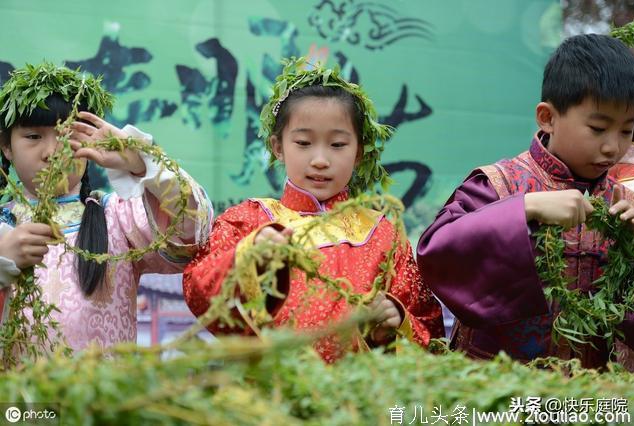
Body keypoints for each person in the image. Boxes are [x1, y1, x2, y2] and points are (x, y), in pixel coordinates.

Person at [183, 57, 444, 363]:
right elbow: (198, 291)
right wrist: (248, 257)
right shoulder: (249, 221)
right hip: (267, 396)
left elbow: (430, 331)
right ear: (278, 146)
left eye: (337, 145)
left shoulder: (383, 233)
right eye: (304, 143)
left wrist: (395, 322)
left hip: (358, 399)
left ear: (359, 153)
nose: (320, 160)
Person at [416, 34, 634, 369]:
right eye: (597, 128)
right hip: (500, 389)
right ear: (547, 117)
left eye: (627, 131)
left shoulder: (626, 202)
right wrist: (524, 209)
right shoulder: (497, 184)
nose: (613, 147)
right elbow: (437, 251)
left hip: (592, 394)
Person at [0, 63, 213, 352]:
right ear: (6, 146)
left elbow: (194, 228)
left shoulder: (117, 217)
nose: (51, 153)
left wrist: (141, 161)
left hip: (103, 396)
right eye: (33, 137)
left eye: (67, 135)